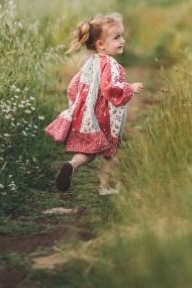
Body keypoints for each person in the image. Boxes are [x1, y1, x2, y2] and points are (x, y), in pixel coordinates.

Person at [45, 13, 144, 196]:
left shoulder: (90, 63)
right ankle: (104, 187)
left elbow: (74, 87)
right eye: (116, 37)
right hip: (105, 116)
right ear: (100, 44)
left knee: (89, 153)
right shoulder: (110, 64)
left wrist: (79, 107)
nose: (122, 40)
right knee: (110, 154)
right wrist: (129, 88)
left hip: (91, 117)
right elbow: (110, 89)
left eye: (122, 36)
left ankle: (72, 165)